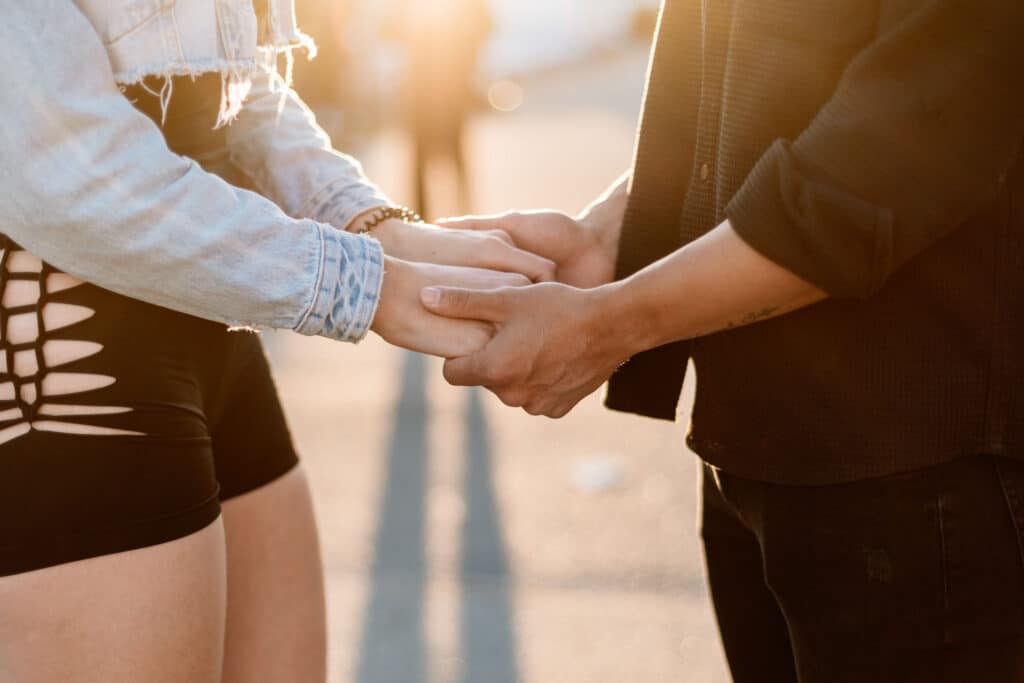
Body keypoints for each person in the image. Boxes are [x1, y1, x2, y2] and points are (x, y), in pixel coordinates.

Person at [425, 1, 1024, 680]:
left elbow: (887, 156)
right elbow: (749, 84)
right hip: (756, 446)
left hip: (921, 473)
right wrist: (614, 233)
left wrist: (609, 322)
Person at [0, 1, 555, 682]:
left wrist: (367, 220)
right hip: (60, 355)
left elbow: (226, 72)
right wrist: (364, 283)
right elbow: (54, 163)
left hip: (208, 311)